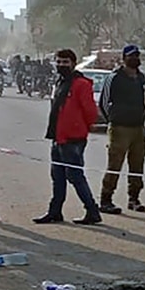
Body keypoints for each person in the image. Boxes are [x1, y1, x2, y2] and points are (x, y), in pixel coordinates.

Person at [33, 49, 103, 225]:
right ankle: (55, 211)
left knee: (75, 176)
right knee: (57, 176)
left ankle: (92, 210)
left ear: (73, 63)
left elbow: (90, 111)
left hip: (73, 138)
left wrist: (80, 128)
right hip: (58, 137)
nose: (61, 65)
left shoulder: (80, 84)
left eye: (65, 62)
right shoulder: (60, 82)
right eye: (59, 62)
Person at [97, 45, 145, 216]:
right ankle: (106, 199)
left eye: (137, 56)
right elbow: (103, 103)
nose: (135, 58)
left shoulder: (140, 78)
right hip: (120, 128)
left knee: (137, 165)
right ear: (124, 58)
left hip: (138, 128)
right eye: (131, 56)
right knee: (114, 165)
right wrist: (112, 119)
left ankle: (134, 199)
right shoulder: (115, 77)